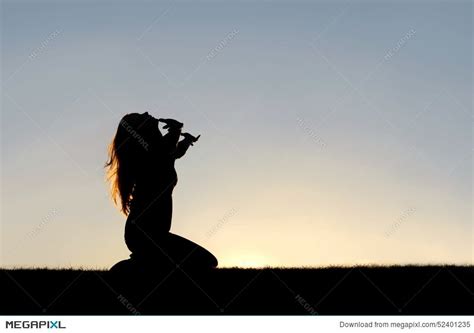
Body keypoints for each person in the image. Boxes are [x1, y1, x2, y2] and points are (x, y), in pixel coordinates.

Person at [106, 112, 218, 271]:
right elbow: (167, 150)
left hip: (155, 235)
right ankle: (128, 269)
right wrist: (176, 130)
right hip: (143, 235)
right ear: (140, 131)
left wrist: (185, 139)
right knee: (205, 262)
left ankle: (143, 264)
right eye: (141, 117)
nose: (146, 113)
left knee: (206, 261)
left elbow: (175, 152)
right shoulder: (151, 154)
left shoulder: (158, 152)